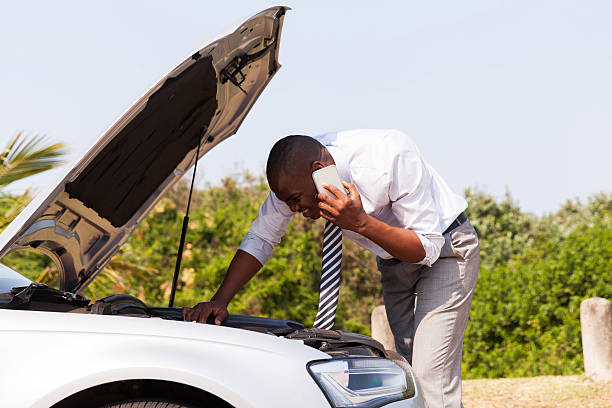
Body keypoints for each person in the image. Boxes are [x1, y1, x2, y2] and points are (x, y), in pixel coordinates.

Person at [183, 129, 480, 408]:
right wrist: (220, 300)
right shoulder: (293, 179)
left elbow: (427, 247)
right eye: (287, 203)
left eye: (295, 200)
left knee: (431, 377)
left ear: (316, 171)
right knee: (410, 375)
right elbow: (261, 237)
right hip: (393, 263)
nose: (294, 210)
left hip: (446, 253)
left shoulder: (389, 156)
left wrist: (361, 222)